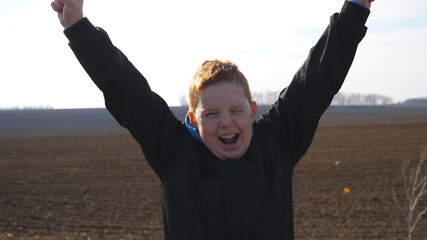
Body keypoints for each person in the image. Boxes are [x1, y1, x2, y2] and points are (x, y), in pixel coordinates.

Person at [51, 0, 373, 239]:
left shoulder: (277, 145)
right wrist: (77, 26)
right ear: (193, 119)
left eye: (236, 111)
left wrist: (357, 7)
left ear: (252, 111)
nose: (227, 123)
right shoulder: (174, 153)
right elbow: (125, 90)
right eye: (212, 114)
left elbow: (318, 77)